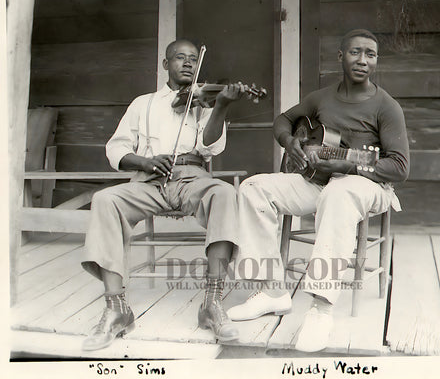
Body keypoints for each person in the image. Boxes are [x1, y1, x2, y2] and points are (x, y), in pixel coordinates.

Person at [227, 29, 409, 352]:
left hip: (369, 184)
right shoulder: (321, 98)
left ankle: (322, 309)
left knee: (340, 195)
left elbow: (399, 167)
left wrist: (350, 166)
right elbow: (283, 120)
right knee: (253, 188)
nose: (363, 60)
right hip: (318, 181)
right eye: (356, 53)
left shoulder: (387, 106)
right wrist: (290, 142)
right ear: (341, 57)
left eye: (371, 54)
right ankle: (271, 291)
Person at [81, 39, 246, 351]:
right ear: (165, 64)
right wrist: (143, 162)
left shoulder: (205, 105)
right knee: (105, 200)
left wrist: (221, 105)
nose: (187, 64)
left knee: (224, 193)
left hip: (191, 177)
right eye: (179, 58)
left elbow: (211, 147)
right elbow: (116, 148)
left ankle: (211, 303)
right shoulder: (142, 104)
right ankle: (117, 309)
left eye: (193, 60)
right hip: (148, 181)